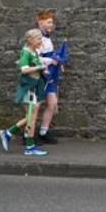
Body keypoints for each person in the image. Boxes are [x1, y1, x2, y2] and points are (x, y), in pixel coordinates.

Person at [0, 29, 48, 156]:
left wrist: (42, 70)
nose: (40, 41)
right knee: (31, 117)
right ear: (30, 40)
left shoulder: (33, 51)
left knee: (31, 117)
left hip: (34, 87)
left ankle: (9, 134)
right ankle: (27, 146)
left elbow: (34, 68)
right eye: (38, 39)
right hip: (28, 88)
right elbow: (24, 69)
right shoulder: (26, 52)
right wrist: (40, 67)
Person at [35, 9, 61, 144]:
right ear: (40, 23)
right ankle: (29, 135)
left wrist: (57, 62)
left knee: (52, 104)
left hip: (50, 76)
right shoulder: (37, 38)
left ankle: (43, 132)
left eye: (52, 22)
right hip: (39, 76)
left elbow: (50, 55)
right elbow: (35, 59)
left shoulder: (47, 38)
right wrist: (51, 61)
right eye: (49, 22)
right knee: (35, 106)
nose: (52, 24)